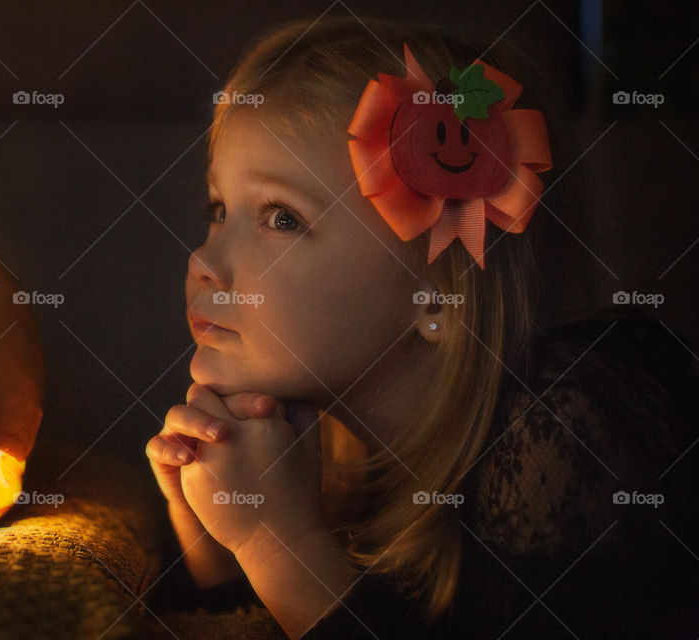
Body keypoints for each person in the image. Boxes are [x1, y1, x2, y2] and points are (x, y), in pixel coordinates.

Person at [146, 15, 698, 639]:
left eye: (280, 219)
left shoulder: (570, 425)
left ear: (435, 297)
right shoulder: (346, 471)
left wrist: (279, 544)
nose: (205, 263)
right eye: (219, 210)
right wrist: (219, 546)